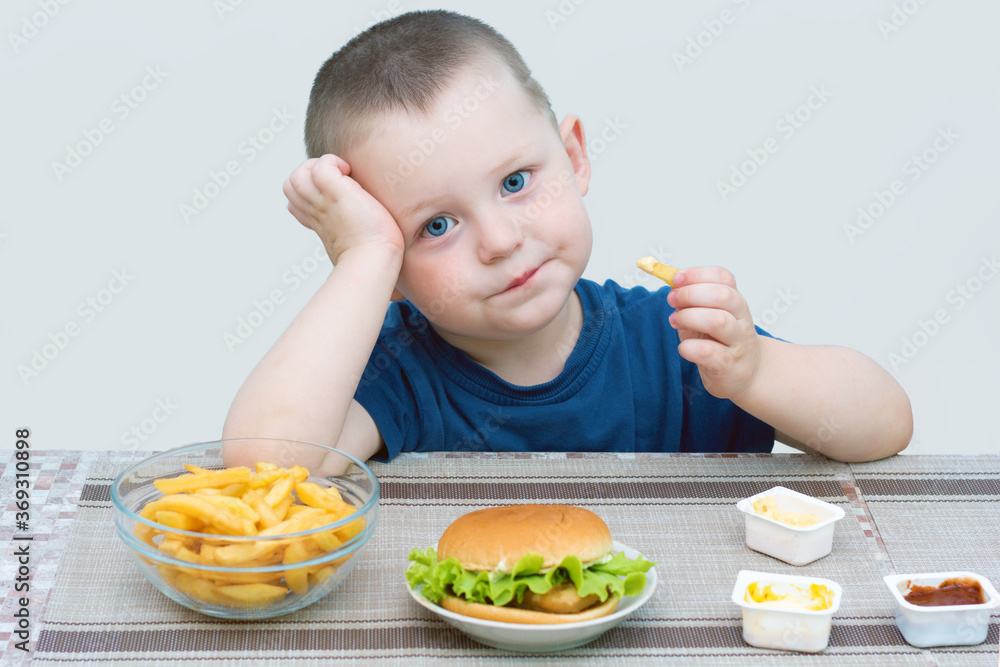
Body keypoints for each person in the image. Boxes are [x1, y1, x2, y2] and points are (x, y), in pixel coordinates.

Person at [222, 10, 912, 469]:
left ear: (574, 157)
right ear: (389, 268)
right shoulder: (395, 372)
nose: (498, 240)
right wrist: (362, 259)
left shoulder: (670, 342)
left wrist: (757, 370)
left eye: (517, 181)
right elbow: (259, 468)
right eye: (435, 226)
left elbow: (885, 426)